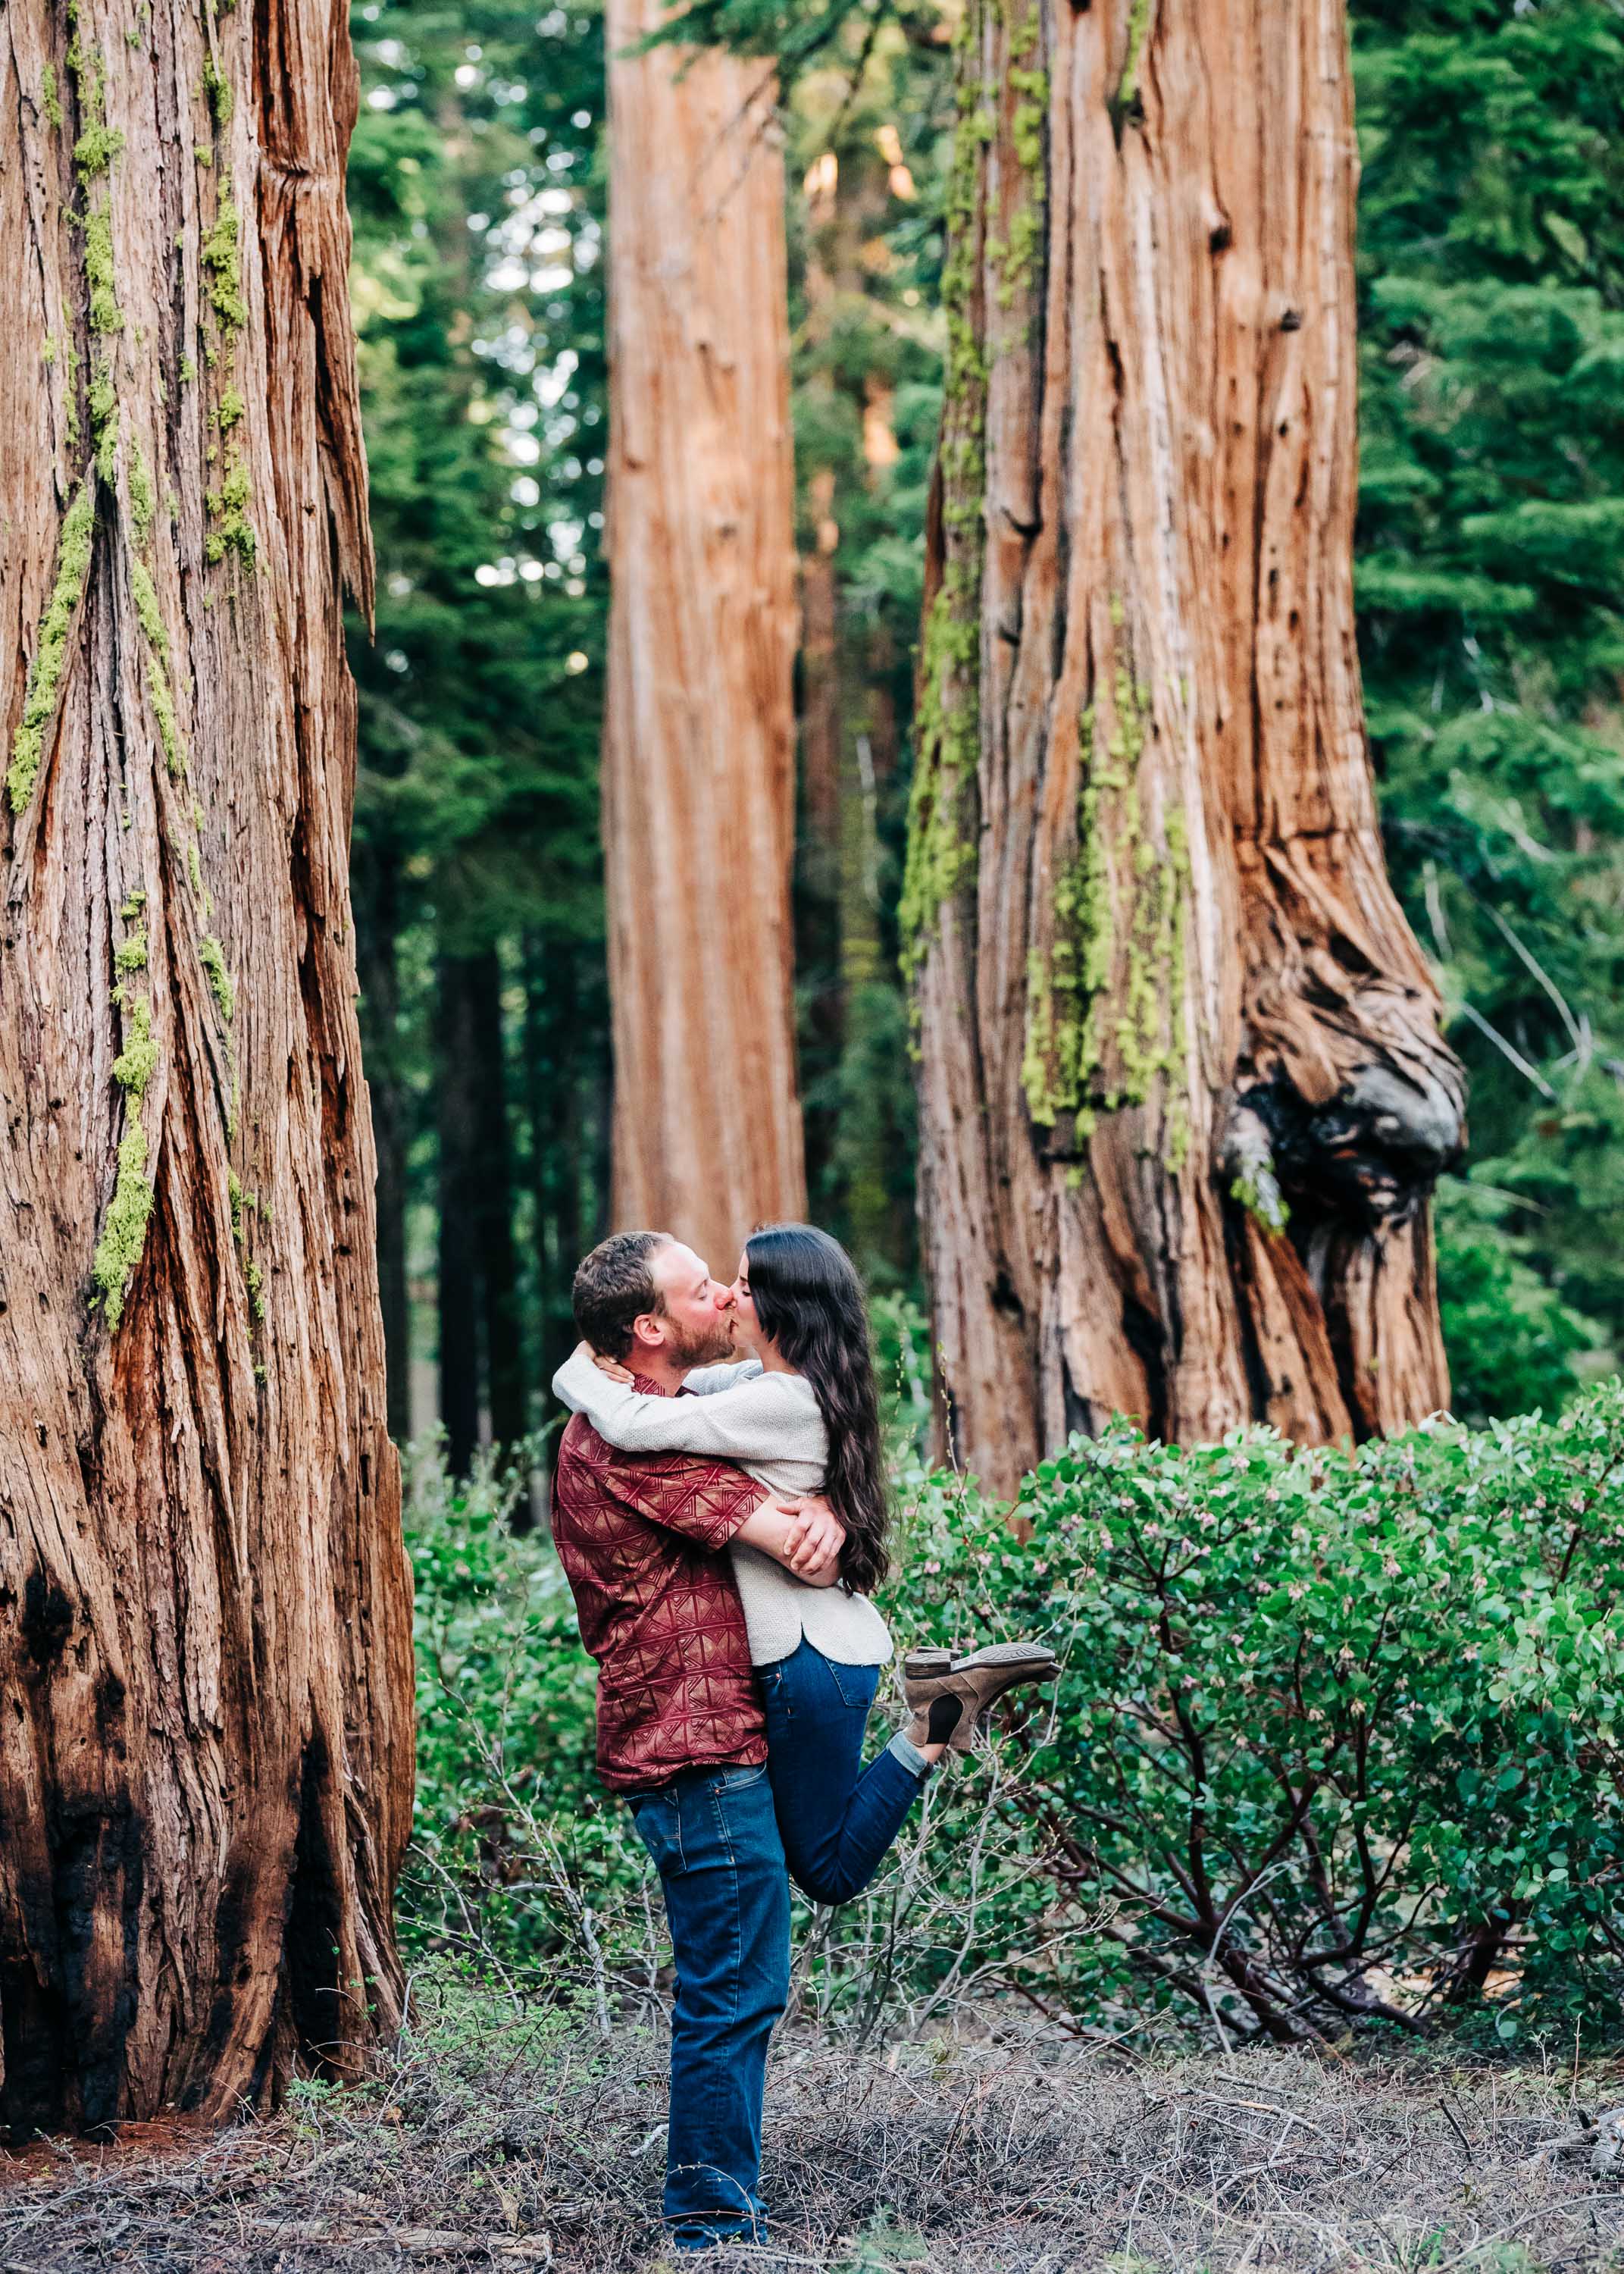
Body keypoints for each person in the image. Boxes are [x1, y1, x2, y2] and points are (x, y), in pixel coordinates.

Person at [549, 1227, 1053, 2254]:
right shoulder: (618, 1438)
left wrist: (814, 1486)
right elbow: (804, 1551)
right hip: (692, 1738)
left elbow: (786, 1480)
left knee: (759, 1957)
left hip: (725, 1724)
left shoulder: (674, 1412)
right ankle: (708, 2230)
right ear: (648, 1327)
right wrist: (805, 1507)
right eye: (700, 1288)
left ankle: (714, 2216)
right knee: (735, 1986)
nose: (723, 1294)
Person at [554, 1221, 1057, 1909]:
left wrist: (577, 1370)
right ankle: (940, 1713)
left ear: (785, 1308)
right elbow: (692, 1397)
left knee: (827, 1872)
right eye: (713, 1286)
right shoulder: (777, 1383)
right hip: (814, 1652)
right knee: (814, 1865)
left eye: (741, 1285)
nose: (728, 1297)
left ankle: (938, 1719)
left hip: (802, 1654)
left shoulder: (775, 1401)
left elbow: (641, 1425)